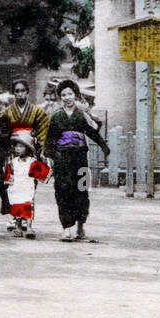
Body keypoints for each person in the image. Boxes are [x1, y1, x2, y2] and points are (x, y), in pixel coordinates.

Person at [46, 79, 109, 242]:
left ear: (75, 95)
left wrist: (103, 146)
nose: (67, 97)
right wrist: (51, 157)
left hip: (80, 158)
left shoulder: (82, 115)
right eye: (63, 95)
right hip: (62, 159)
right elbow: (50, 139)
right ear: (60, 97)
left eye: (70, 94)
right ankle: (66, 228)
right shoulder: (56, 116)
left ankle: (81, 226)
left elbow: (92, 131)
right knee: (62, 191)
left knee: (82, 190)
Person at [3, 132, 50, 239]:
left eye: (21, 146)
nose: (17, 149)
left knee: (28, 207)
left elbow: (44, 173)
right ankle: (18, 227)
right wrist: (9, 183)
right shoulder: (12, 162)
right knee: (17, 207)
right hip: (16, 188)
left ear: (27, 149)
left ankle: (29, 227)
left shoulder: (32, 162)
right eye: (16, 146)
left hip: (28, 187)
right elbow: (8, 175)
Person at [1, 78, 51, 158]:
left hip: (32, 148)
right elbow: (3, 132)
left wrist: (37, 142)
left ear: (27, 92)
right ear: (13, 93)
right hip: (14, 149)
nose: (20, 94)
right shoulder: (7, 112)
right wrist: (10, 136)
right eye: (17, 91)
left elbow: (43, 130)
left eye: (23, 91)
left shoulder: (37, 111)